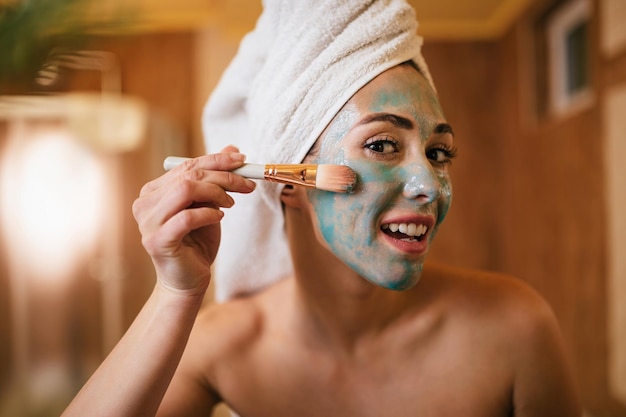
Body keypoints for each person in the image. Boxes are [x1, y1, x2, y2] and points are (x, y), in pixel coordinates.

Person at [62, 0, 581, 416]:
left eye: (438, 153)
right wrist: (176, 293)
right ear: (288, 183)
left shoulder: (514, 328)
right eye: (381, 145)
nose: (429, 184)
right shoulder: (226, 347)